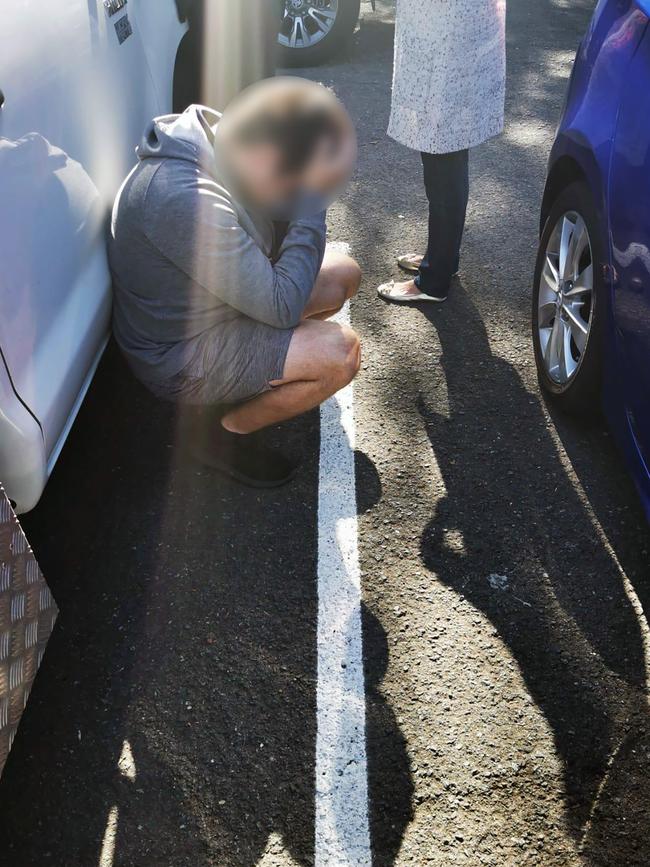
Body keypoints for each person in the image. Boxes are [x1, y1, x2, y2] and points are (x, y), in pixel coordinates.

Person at [108, 78, 360, 487]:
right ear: (264, 156)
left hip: (212, 308)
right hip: (177, 354)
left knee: (343, 274)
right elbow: (282, 308)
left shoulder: (231, 139)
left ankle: (264, 373)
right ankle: (221, 433)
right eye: (289, 182)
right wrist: (312, 198)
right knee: (340, 353)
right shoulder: (181, 196)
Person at [377, 0, 506, 304]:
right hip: (444, 26)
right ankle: (442, 258)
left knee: (443, 150)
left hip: (448, 29)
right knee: (444, 149)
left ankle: (435, 278)